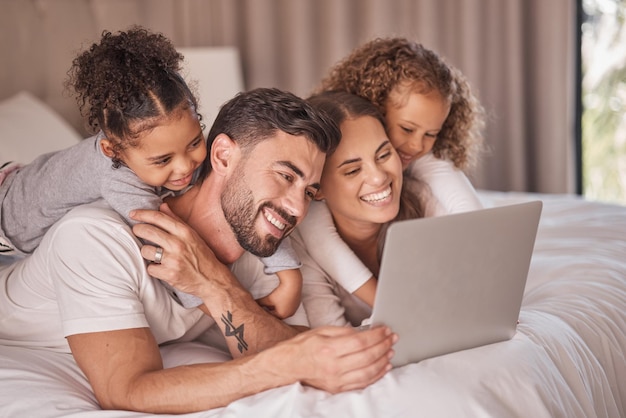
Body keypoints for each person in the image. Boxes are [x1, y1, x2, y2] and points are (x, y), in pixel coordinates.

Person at [0, 40, 396, 415]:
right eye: (284, 175)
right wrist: (277, 365)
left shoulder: (258, 240)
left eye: (310, 191)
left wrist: (212, 283)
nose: (297, 207)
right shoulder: (95, 237)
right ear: (223, 155)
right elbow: (126, 391)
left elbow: (297, 351)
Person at [0, 27, 302, 319]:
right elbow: (166, 252)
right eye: (162, 160)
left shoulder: (170, 149)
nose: (186, 166)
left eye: (195, 142)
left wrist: (289, 275)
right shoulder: (118, 176)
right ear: (113, 151)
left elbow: (253, 193)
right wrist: (236, 313)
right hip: (6, 219)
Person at [296, 37, 488, 309]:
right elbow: (320, 238)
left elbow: (477, 227)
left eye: (431, 134)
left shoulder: (423, 162)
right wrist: (390, 304)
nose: (417, 145)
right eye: (407, 129)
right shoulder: (323, 177)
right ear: (375, 109)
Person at [290, 91, 434, 327]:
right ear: (318, 188)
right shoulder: (303, 249)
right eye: (352, 170)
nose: (378, 178)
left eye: (384, 154)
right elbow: (335, 339)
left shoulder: (425, 198)